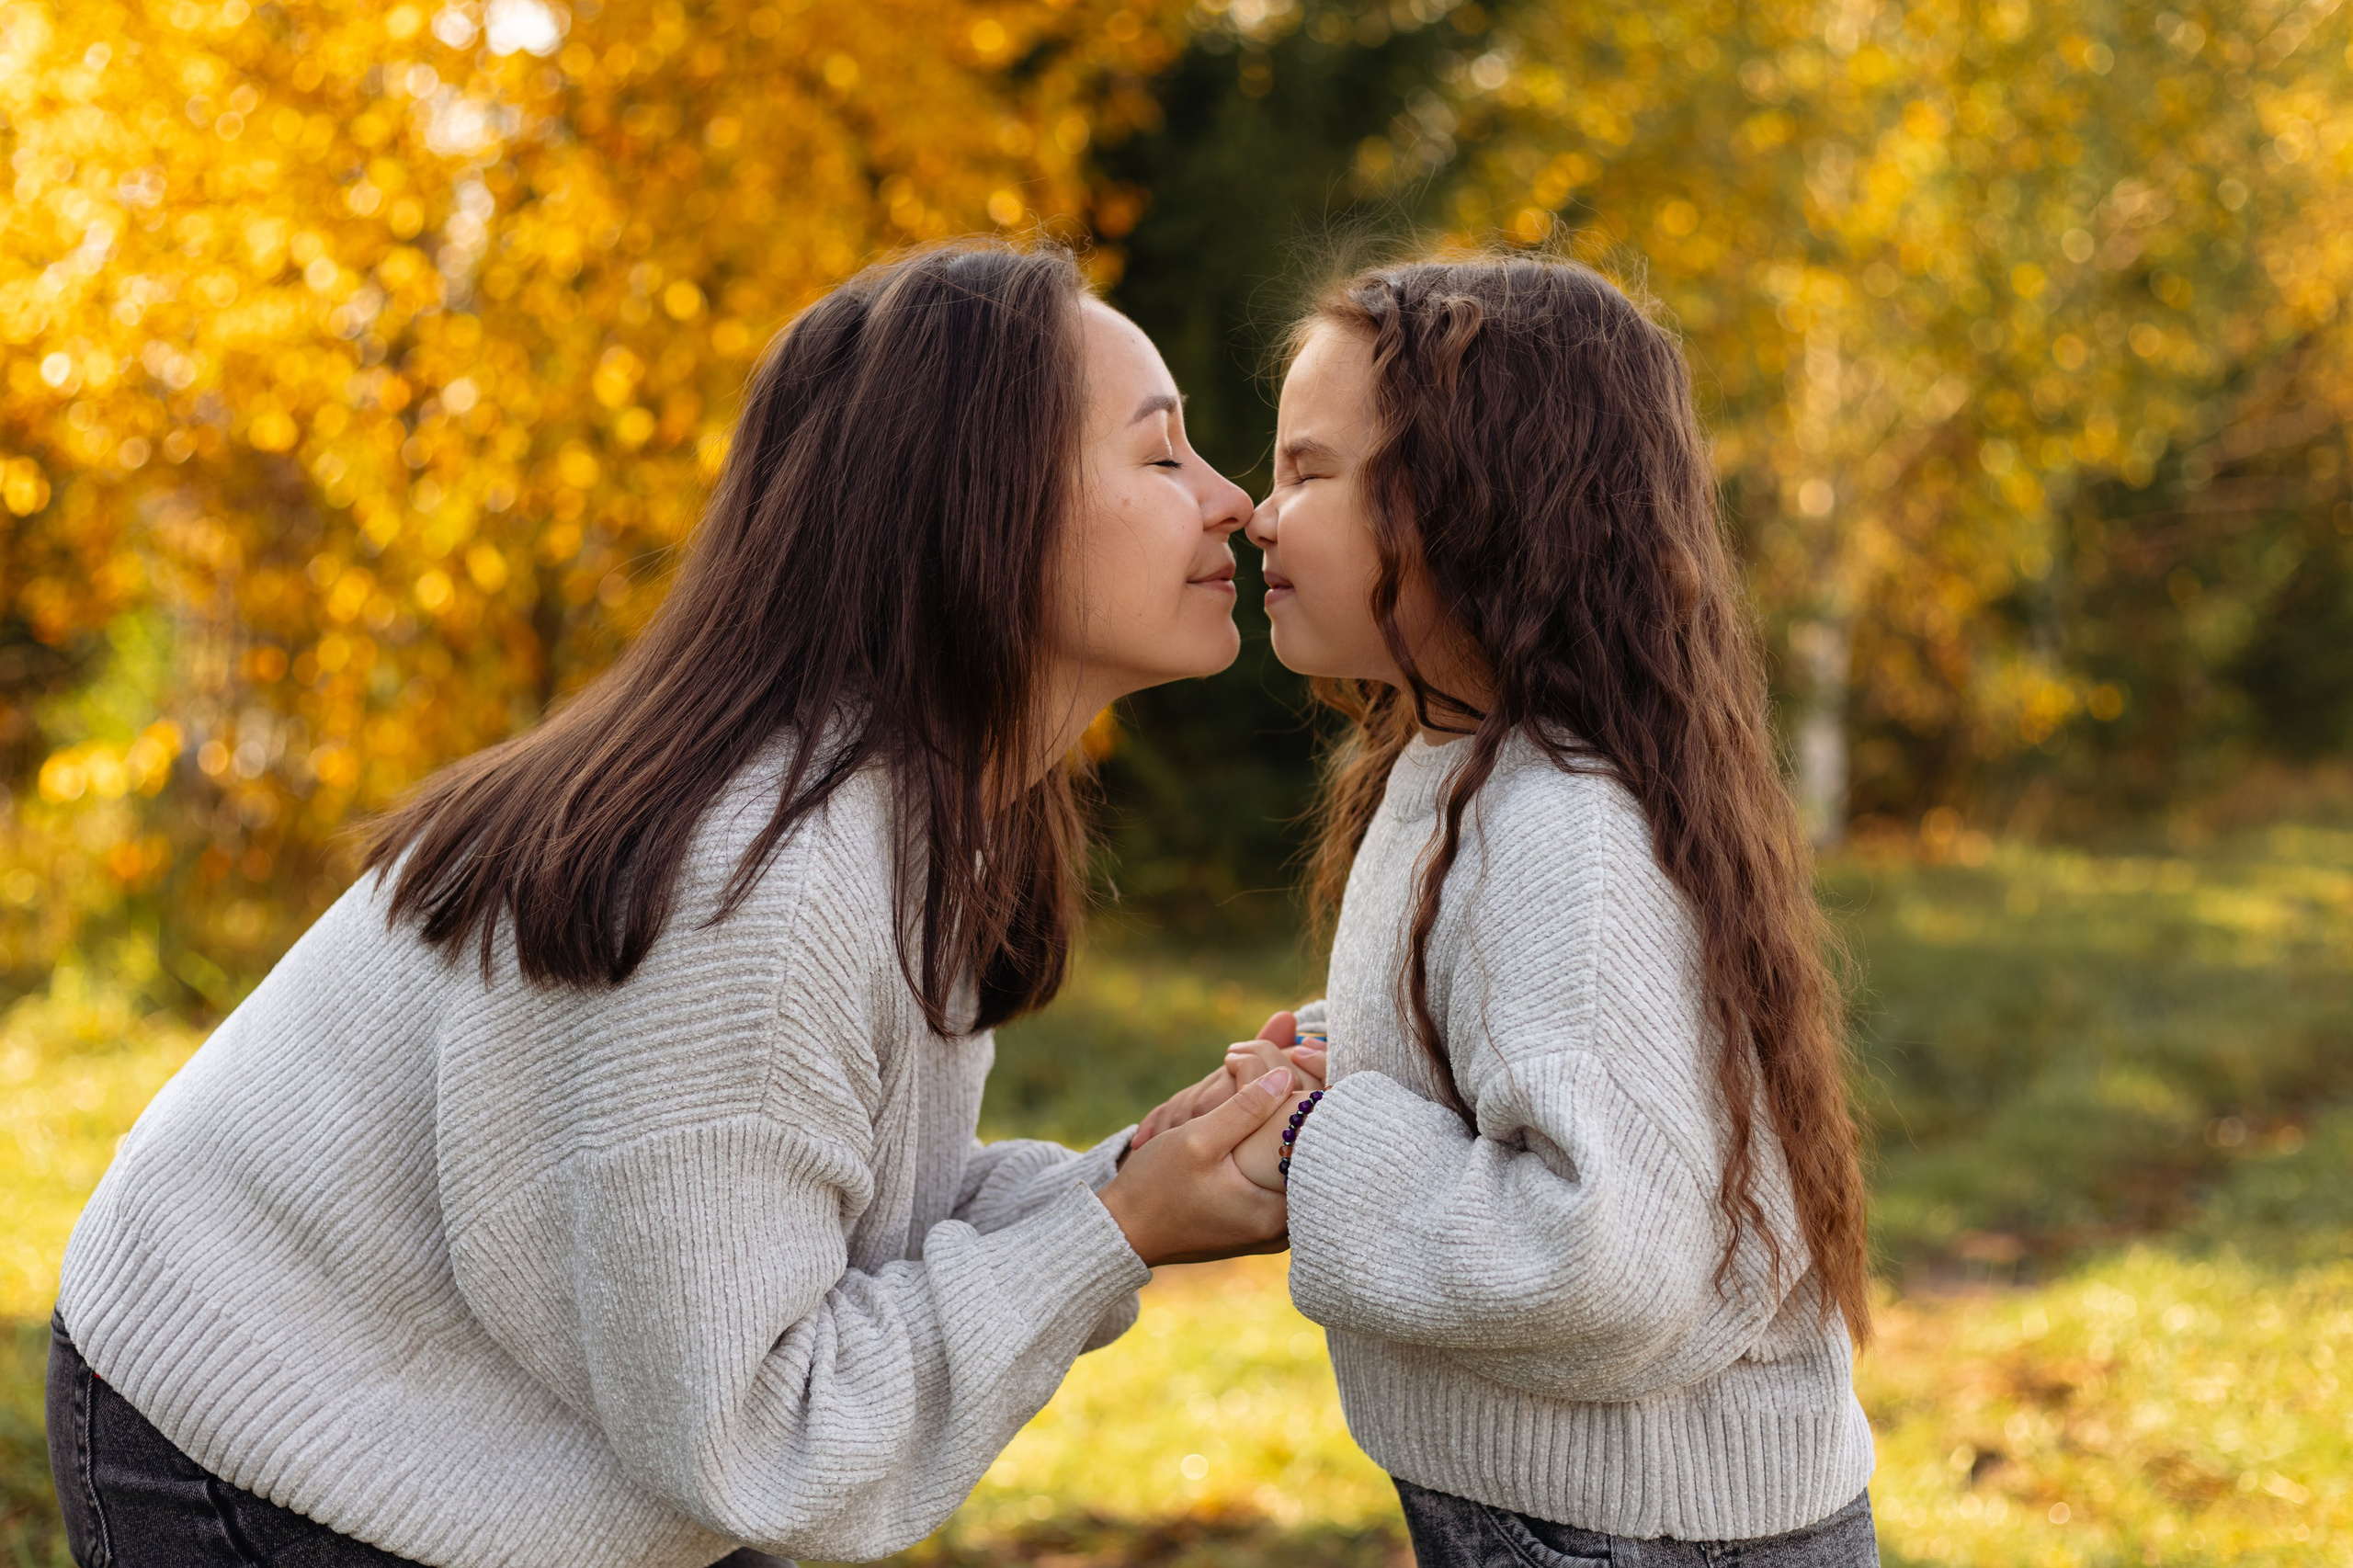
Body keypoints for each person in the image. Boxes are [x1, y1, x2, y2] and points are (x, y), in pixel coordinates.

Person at [47, 242, 1298, 1568]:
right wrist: (1119, 1230)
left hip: (525, 1417)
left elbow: (817, 1224)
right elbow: (769, 1438)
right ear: (972, 506)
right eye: (1161, 456)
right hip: (273, 1450)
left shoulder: (906, 804)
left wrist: (1129, 1179)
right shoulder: (760, 886)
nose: (1235, 502)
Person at [1142, 254, 1881, 1565]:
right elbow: (1544, 1052)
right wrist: (1349, 1059)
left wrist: (1326, 1140)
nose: (1257, 511)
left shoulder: (1562, 830)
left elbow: (1603, 1257)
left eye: (1310, 471)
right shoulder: (1458, 768)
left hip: (1642, 1535)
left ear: (1467, 504)